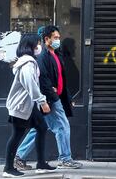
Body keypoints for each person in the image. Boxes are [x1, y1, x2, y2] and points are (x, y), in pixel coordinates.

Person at [14, 26, 82, 170]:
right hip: (50, 99)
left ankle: (19, 157)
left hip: (55, 98)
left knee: (39, 128)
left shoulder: (57, 54)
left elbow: (61, 79)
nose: (58, 40)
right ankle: (65, 158)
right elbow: (43, 80)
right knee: (62, 126)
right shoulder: (43, 57)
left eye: (58, 37)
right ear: (47, 39)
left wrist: (68, 98)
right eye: (55, 38)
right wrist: (48, 99)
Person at [3, 33, 56, 177]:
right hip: (21, 106)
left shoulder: (28, 61)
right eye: (37, 43)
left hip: (27, 105)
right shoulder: (27, 63)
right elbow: (31, 85)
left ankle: (41, 163)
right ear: (31, 46)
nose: (39, 46)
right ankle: (8, 168)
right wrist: (42, 102)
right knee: (17, 134)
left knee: (42, 128)